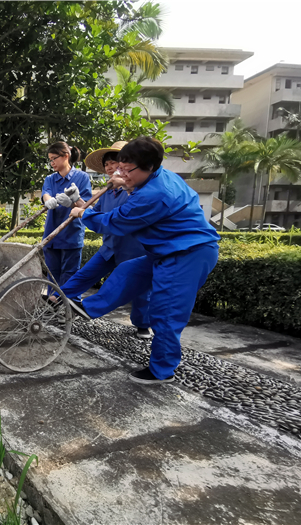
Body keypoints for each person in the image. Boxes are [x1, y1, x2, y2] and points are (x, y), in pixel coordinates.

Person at [70, 137, 220, 385]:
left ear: (149, 167)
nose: (122, 174)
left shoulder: (154, 194)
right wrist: (125, 181)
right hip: (167, 250)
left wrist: (83, 213)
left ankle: (162, 371)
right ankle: (88, 308)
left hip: (188, 254)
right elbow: (132, 190)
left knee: (166, 311)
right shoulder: (157, 176)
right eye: (120, 167)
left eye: (128, 170)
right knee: (129, 271)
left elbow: (115, 222)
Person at [59, 141, 152, 339]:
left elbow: (119, 219)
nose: (110, 167)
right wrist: (77, 201)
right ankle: (57, 299)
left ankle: (143, 324)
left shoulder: (138, 190)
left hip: (133, 249)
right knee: (85, 275)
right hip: (110, 246)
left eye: (114, 162)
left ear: (126, 165)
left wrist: (126, 185)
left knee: (139, 289)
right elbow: (95, 214)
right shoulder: (109, 191)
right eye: (107, 164)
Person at [41, 142, 93, 287]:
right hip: (52, 234)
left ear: (66, 156)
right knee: (52, 275)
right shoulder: (50, 179)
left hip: (72, 234)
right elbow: (46, 193)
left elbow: (86, 206)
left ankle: (71, 306)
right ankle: (54, 306)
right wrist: (49, 200)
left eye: (54, 158)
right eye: (50, 159)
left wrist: (72, 203)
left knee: (70, 275)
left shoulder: (82, 177)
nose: (52, 163)